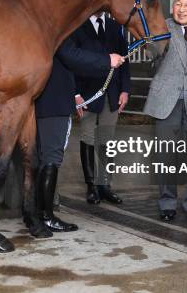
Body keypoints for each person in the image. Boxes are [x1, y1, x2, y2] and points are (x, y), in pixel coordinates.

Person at [35, 37, 125, 232]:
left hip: (47, 99)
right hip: (54, 100)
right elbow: (72, 55)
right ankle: (46, 216)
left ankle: (38, 214)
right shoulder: (57, 26)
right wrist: (107, 60)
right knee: (51, 157)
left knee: (44, 157)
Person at [144, 0, 187, 223]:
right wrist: (152, 39)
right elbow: (151, 53)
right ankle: (167, 203)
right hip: (166, 101)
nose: (181, 9)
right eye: (177, 4)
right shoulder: (162, 27)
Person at [72, 11, 130, 205]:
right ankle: (91, 186)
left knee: (108, 139)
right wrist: (76, 94)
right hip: (87, 95)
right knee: (88, 137)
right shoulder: (78, 26)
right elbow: (71, 61)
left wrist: (125, 90)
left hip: (112, 93)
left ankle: (105, 186)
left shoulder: (114, 27)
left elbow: (125, 61)